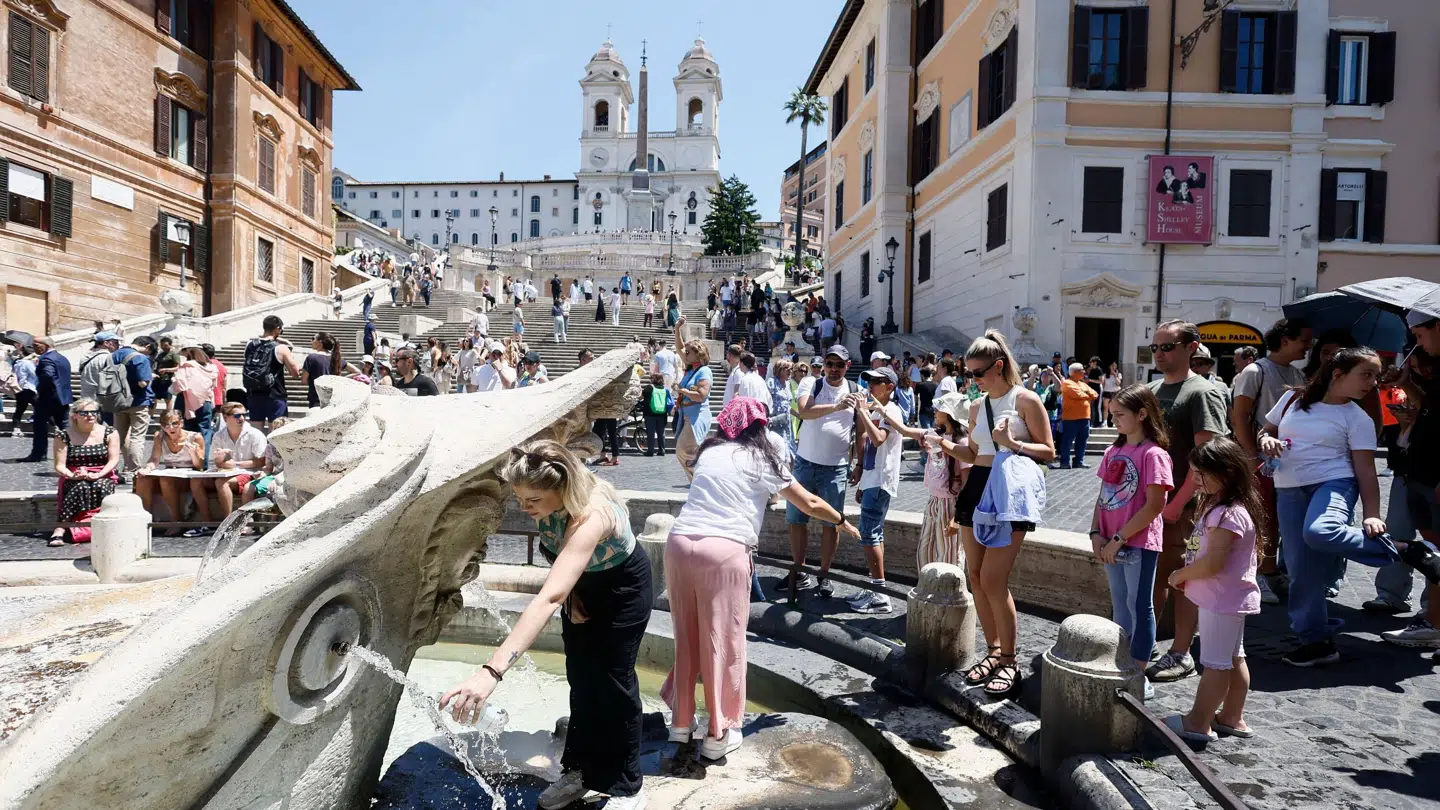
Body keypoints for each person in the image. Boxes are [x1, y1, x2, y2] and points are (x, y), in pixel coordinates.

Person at [440, 441, 652, 810]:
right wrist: (575, 593)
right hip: (581, 586)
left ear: (562, 490)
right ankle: (580, 771)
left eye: (533, 500)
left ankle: (626, 784)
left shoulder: (592, 516)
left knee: (615, 682)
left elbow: (547, 597)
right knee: (582, 676)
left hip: (622, 589)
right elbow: (562, 573)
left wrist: (492, 671)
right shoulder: (550, 499)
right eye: (520, 497)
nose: (524, 508)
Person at [661, 396, 861, 759]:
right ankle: (719, 733)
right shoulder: (763, 457)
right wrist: (842, 520)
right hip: (723, 551)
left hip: (678, 543)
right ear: (760, 426)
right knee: (725, 642)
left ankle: (680, 725)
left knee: (687, 635)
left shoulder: (711, 451)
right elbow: (810, 504)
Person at [1260, 347, 1440, 666]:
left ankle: (1407, 551)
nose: (1373, 383)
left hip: (1335, 483)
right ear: (1337, 374)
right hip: (1288, 489)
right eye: (1366, 374)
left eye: (1375, 376)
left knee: (1321, 531)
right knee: (1302, 573)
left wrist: (1372, 514)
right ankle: (1315, 642)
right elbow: (1268, 430)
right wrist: (1266, 441)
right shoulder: (1291, 400)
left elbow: (1367, 472)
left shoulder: (1357, 417)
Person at [948, 332, 1055, 697]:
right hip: (976, 486)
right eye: (968, 374)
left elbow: (1048, 451)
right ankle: (993, 650)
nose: (973, 381)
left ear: (999, 366)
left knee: (994, 579)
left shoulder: (1026, 400)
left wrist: (1013, 444)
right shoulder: (977, 406)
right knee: (975, 576)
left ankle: (1010, 659)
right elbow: (973, 453)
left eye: (978, 373)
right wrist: (944, 445)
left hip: (1008, 491)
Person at [1146, 320, 1230, 684]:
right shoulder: (1150, 389)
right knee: (1153, 577)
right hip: (1151, 503)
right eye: (1155, 348)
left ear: (1191, 347)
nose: (1160, 354)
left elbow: (1207, 457)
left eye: (1168, 347)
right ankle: (1142, 644)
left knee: (1184, 578)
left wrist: (1178, 502)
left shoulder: (1202, 392)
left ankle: (1181, 652)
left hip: (1186, 506)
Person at [1164, 437, 1260, 743]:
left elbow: (1214, 563)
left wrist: (1181, 574)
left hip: (1220, 597)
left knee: (1216, 664)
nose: (1195, 479)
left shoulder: (1227, 513)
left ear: (1227, 473)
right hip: (1229, 596)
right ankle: (1232, 717)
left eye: (1201, 473)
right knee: (1234, 658)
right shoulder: (1227, 507)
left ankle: (1198, 722)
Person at [1089, 385, 1173, 684]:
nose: (1114, 420)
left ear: (1142, 414)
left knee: (1140, 604)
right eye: (1112, 415)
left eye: (1120, 415)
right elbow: (1103, 496)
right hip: (1112, 542)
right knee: (1120, 602)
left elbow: (1155, 506)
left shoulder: (1154, 454)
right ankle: (1120, 660)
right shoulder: (1114, 451)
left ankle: (1137, 672)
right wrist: (1096, 532)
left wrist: (1118, 538)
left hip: (1136, 542)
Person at [1230, 316, 1312, 605]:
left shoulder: (1298, 375)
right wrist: (1251, 456)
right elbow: (1239, 416)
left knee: (1282, 520)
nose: (1308, 345)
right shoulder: (1255, 371)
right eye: (1304, 339)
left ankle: (1271, 571)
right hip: (1262, 460)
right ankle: (1258, 575)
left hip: (1288, 461)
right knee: (1262, 520)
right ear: (1286, 339)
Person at [782, 344, 864, 597]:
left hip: (837, 467)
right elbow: (805, 412)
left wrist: (859, 462)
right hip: (805, 462)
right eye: (830, 364)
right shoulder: (811, 383)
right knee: (797, 520)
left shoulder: (856, 390)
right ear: (824, 366)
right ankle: (799, 569)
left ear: (847, 366)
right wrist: (838, 406)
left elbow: (860, 430)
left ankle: (824, 574)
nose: (834, 369)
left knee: (832, 523)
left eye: (839, 364)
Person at [846, 366, 906, 615]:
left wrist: (862, 412)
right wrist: (863, 480)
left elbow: (879, 439)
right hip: (874, 479)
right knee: (874, 533)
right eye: (869, 380)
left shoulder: (891, 410)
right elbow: (871, 447)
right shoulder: (878, 409)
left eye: (876, 381)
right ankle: (875, 587)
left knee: (869, 534)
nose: (870, 385)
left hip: (881, 481)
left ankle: (881, 594)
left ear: (889, 387)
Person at [48, 399, 120, 546]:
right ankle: (61, 527)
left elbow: (113, 460)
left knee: (101, 485)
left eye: (93, 412)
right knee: (80, 486)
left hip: (102, 473)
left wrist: (99, 474)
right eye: (85, 413)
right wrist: (72, 475)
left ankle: (98, 525)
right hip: (74, 474)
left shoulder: (110, 432)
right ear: (75, 415)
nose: (90, 416)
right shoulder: (63, 435)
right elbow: (60, 465)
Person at [189, 403, 267, 534]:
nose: (241, 418)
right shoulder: (219, 435)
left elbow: (261, 460)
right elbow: (216, 462)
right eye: (237, 415)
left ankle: (229, 522)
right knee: (195, 481)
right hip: (223, 472)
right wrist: (221, 459)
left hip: (248, 473)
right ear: (225, 418)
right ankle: (208, 522)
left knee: (221, 483)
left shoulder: (254, 434)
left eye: (244, 415)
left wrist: (236, 464)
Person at [134, 409, 204, 533]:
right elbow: (154, 460)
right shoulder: (159, 436)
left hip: (188, 475)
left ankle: (177, 520)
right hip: (170, 472)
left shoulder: (195, 437)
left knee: (165, 480)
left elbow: (199, 466)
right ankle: (145, 518)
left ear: (181, 423)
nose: (170, 428)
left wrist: (193, 453)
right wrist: (147, 468)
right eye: (166, 425)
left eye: (174, 423)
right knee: (142, 478)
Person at [109, 336, 157, 475]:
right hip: (138, 402)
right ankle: (134, 470)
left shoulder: (113, 355)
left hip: (117, 401)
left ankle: (112, 467)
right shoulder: (140, 358)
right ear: (147, 347)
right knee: (137, 437)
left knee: (118, 437)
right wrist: (149, 378)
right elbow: (143, 383)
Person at [672, 318, 713, 480]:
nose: (685, 354)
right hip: (687, 415)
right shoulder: (690, 369)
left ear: (699, 354)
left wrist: (683, 391)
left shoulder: (704, 371)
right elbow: (680, 347)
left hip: (697, 416)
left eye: (689, 353)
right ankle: (698, 481)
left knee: (683, 450)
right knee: (690, 453)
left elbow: (702, 396)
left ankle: (701, 480)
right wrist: (677, 329)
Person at [243, 316, 301, 430]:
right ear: (277, 329)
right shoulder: (281, 348)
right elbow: (295, 373)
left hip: (253, 393)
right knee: (276, 433)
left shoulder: (250, 345)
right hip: (275, 395)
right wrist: (289, 346)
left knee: (255, 433)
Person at [24, 337, 73, 463]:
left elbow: (48, 376)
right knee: (64, 425)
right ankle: (72, 453)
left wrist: (40, 390)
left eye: (35, 345)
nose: (33, 348)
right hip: (62, 397)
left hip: (48, 397)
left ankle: (38, 454)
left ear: (45, 345)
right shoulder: (62, 358)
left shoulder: (46, 359)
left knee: (39, 425)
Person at [171, 346, 217, 446]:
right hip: (206, 401)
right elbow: (214, 385)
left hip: (185, 401)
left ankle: (188, 459)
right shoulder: (212, 367)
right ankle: (202, 459)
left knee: (185, 431)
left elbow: (179, 386)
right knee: (204, 431)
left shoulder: (186, 366)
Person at [1055, 363, 1098, 469]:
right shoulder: (1067, 383)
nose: (1084, 371)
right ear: (1074, 372)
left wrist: (1087, 393)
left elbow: (1095, 394)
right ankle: (1064, 462)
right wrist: (1088, 394)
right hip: (1071, 418)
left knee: (1082, 440)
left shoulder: (1082, 384)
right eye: (1081, 370)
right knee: (1067, 441)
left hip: (1085, 417)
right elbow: (1078, 395)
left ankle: (1079, 461)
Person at [302, 333, 342, 409]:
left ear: (320, 342)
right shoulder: (335, 358)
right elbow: (356, 371)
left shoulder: (311, 357)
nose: (311, 341)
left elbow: (304, 380)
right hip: (332, 398)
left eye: (313, 338)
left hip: (316, 398)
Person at [641, 373, 673, 457]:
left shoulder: (649, 387)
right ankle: (662, 450)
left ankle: (650, 451)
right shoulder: (665, 389)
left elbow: (641, 397)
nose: (650, 380)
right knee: (661, 433)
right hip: (662, 414)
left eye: (651, 378)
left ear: (654, 379)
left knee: (651, 433)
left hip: (650, 414)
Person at [766, 359, 795, 448]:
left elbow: (787, 405)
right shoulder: (771, 382)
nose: (790, 371)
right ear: (780, 369)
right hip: (774, 422)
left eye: (791, 369)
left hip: (786, 422)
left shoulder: (788, 384)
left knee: (789, 449)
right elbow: (766, 401)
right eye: (788, 369)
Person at [151, 336, 181, 417]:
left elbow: (177, 367)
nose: (164, 347)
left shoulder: (173, 355)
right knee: (153, 398)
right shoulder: (160, 355)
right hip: (158, 379)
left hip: (167, 380)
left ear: (170, 345)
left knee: (168, 399)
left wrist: (166, 369)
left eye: (166, 345)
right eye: (162, 345)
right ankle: (151, 415)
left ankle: (169, 415)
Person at [1102, 362, 1122, 427]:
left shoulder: (1118, 374)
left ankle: (1115, 422)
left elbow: (1118, 383)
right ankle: (1105, 422)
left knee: (1115, 408)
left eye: (1115, 366)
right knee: (1106, 408)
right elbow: (1102, 383)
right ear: (1109, 367)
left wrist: (1115, 376)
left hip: (1115, 392)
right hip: (1107, 392)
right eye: (1112, 366)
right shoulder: (1105, 375)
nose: (1113, 367)